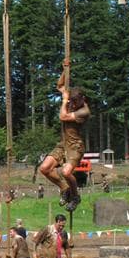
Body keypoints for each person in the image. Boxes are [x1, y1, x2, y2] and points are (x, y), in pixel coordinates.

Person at [38, 60, 91, 212]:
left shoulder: (84, 111)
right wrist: (65, 71)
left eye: (75, 102)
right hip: (63, 143)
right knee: (44, 168)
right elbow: (60, 86)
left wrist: (64, 100)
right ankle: (64, 188)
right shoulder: (71, 100)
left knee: (67, 172)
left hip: (75, 146)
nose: (73, 105)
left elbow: (63, 117)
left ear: (82, 99)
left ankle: (75, 196)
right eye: (72, 102)